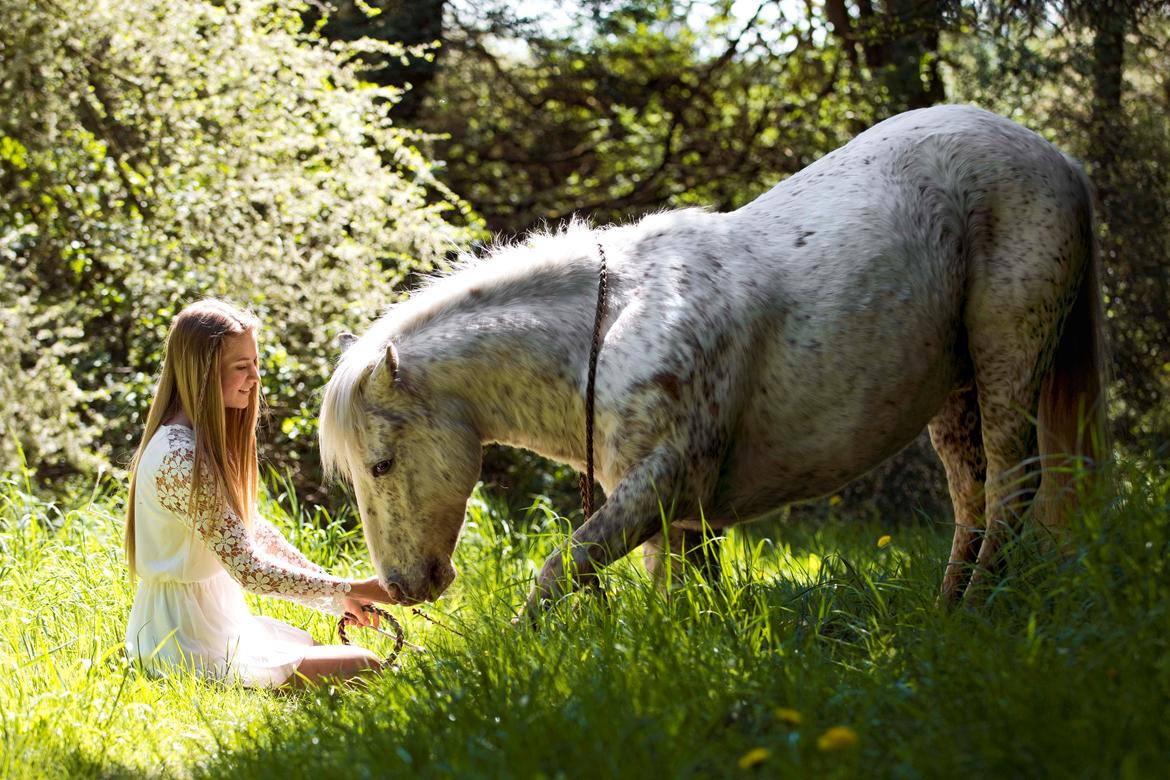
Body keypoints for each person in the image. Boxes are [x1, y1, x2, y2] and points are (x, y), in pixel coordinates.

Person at [124, 299, 394, 687]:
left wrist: (338, 596)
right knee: (364, 664)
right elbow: (250, 570)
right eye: (241, 366)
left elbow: (254, 534)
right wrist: (356, 587)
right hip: (182, 642)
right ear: (202, 372)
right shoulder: (178, 455)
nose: (255, 377)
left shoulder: (199, 444)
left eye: (255, 363)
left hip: (215, 624)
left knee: (330, 653)